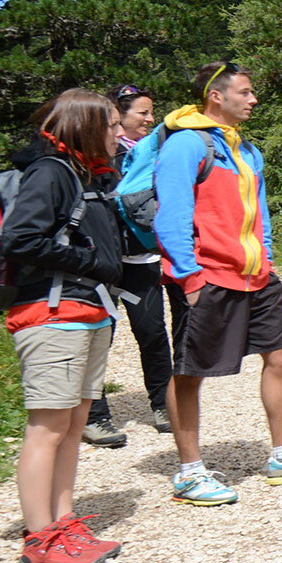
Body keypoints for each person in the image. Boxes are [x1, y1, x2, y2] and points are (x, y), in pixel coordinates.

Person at [154, 62, 282, 506]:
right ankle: (188, 472)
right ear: (215, 97)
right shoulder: (186, 145)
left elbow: (259, 211)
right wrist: (188, 275)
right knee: (189, 372)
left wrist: (268, 257)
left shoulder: (245, 149)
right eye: (245, 92)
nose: (253, 99)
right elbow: (171, 215)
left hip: (255, 275)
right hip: (206, 277)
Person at [1, 89, 128, 563]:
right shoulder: (51, 172)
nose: (119, 134)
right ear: (87, 126)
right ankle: (40, 540)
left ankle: (63, 522)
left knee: (73, 425)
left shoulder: (81, 173)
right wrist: (90, 263)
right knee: (48, 427)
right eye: (112, 125)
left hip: (85, 313)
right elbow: (21, 239)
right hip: (52, 316)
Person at [82, 85, 174, 444]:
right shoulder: (97, 156)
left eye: (152, 113)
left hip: (140, 262)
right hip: (101, 268)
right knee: (96, 340)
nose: (149, 119)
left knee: (151, 333)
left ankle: (163, 403)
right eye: (143, 113)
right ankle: (94, 415)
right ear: (119, 117)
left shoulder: (153, 154)